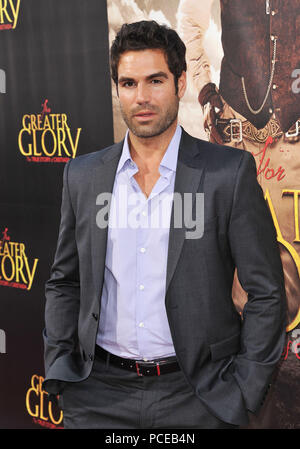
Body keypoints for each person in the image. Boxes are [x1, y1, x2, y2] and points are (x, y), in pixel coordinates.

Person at [42, 20, 286, 429]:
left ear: (181, 82)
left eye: (155, 80)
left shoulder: (228, 174)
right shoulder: (83, 176)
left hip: (198, 397)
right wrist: (61, 365)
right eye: (129, 83)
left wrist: (245, 389)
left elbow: (266, 293)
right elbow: (65, 281)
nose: (142, 97)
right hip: (98, 397)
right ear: (117, 88)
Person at [178, 0, 300, 328]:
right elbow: (190, 22)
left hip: (295, 136)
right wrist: (205, 90)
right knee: (236, 258)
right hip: (236, 133)